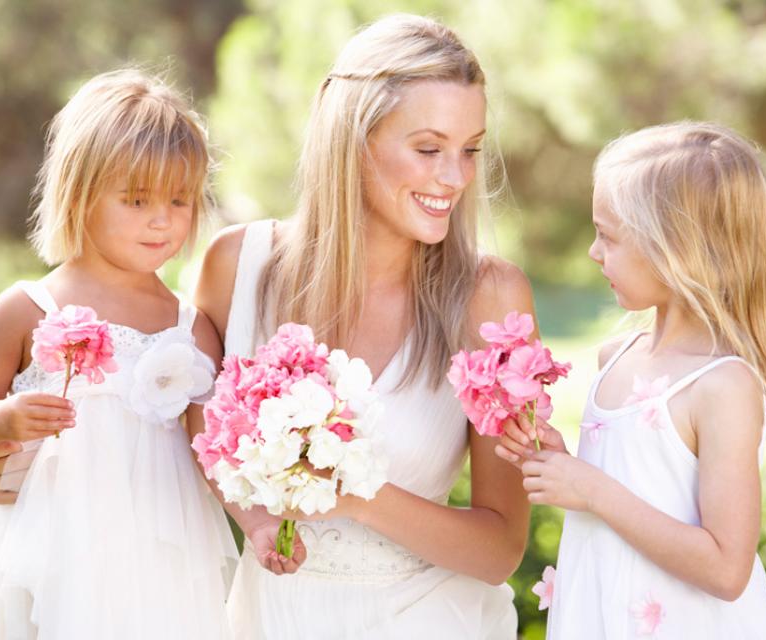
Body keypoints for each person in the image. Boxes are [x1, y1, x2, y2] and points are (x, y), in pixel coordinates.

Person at [193, 14, 532, 639]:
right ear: (352, 139)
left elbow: (499, 551)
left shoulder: (488, 297)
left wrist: (357, 494)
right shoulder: (237, 265)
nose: (455, 178)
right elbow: (186, 419)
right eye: (429, 149)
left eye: (470, 149)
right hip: (268, 619)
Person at [0, 69, 240, 639]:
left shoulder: (195, 329)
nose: (162, 219)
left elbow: (212, 452)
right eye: (137, 200)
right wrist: (2, 420)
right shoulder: (27, 308)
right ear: (82, 192)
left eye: (180, 200)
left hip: (164, 565)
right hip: (56, 557)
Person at [498, 122, 766, 638]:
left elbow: (728, 570)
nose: (595, 252)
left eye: (609, 236)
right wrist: (561, 465)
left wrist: (592, 490)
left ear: (676, 248)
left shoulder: (722, 385)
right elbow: (632, 483)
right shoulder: (616, 357)